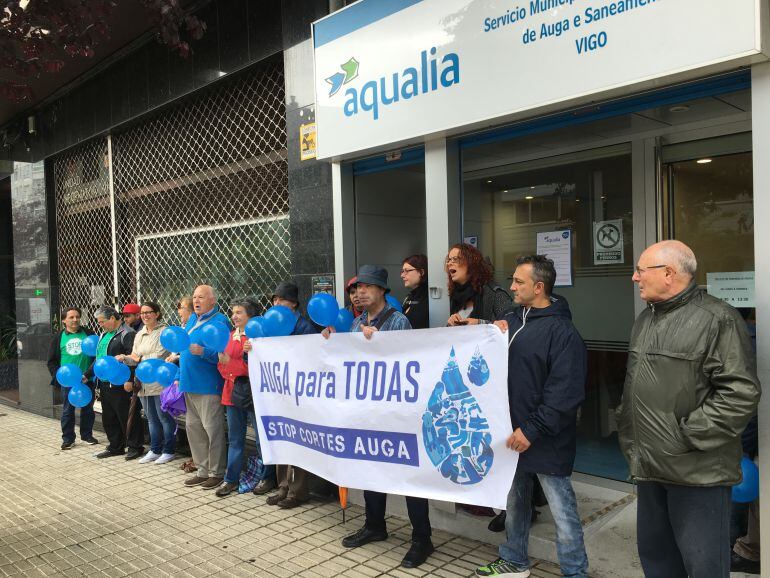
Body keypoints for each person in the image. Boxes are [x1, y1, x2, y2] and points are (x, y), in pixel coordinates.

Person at [616, 240, 760, 578]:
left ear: (668, 273)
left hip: (697, 473)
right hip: (649, 467)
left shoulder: (717, 319)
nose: (634, 278)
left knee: (703, 567)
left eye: (640, 269)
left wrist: (686, 435)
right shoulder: (646, 320)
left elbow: (740, 392)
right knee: (658, 562)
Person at [477, 255, 589, 578]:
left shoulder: (563, 333)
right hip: (511, 434)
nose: (511, 286)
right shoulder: (512, 319)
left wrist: (532, 430)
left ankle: (575, 571)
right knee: (515, 502)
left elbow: (564, 394)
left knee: (562, 510)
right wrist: (489, 331)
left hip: (543, 439)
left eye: (518, 282)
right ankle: (514, 559)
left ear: (539, 287)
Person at [326, 265, 434, 569]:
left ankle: (422, 538)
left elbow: (408, 363)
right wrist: (331, 340)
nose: (360, 293)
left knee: (409, 478)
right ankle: (375, 525)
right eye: (356, 288)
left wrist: (379, 344)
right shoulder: (355, 323)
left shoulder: (399, 321)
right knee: (370, 469)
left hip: (397, 415)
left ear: (382, 291)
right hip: (367, 413)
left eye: (367, 287)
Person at [261, 281, 317, 508]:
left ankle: (298, 491)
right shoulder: (269, 325)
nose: (276, 304)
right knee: (281, 438)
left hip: (299, 392)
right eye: (274, 300)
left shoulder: (304, 326)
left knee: (299, 441)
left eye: (281, 300)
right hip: (278, 392)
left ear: (293, 303)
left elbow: (312, 357)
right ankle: (283, 486)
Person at [215, 297, 276, 497]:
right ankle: (230, 479)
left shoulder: (259, 337)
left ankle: (267, 476)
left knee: (261, 439)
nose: (234, 316)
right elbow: (221, 366)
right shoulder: (230, 336)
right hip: (231, 393)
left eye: (239, 312)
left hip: (254, 394)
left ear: (251, 315)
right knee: (235, 439)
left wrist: (231, 365)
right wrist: (231, 366)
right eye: (233, 312)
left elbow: (257, 368)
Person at [179, 285, 230, 489]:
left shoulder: (220, 321)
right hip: (189, 384)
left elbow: (225, 356)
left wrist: (204, 352)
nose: (196, 301)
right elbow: (183, 349)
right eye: (194, 297)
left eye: (201, 297)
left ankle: (217, 472)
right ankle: (202, 470)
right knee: (194, 430)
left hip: (208, 386)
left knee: (213, 430)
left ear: (212, 300)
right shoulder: (192, 319)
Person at [117, 302, 176, 465]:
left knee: (164, 417)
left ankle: (169, 450)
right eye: (142, 313)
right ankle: (155, 449)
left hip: (159, 381)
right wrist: (125, 357)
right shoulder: (140, 333)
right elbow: (135, 357)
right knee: (151, 418)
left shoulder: (165, 331)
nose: (145, 315)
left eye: (149, 312)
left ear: (157, 313)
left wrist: (139, 359)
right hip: (142, 382)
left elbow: (165, 355)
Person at [86, 306, 143, 460]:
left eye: (102, 322)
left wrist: (130, 379)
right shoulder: (104, 334)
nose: (101, 325)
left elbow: (133, 358)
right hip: (105, 382)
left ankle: (135, 446)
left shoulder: (128, 334)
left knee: (127, 416)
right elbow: (99, 359)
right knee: (109, 417)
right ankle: (115, 446)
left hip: (121, 382)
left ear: (112, 318)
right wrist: (88, 374)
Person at [47, 307, 98, 450]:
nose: (75, 319)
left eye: (77, 316)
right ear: (64, 320)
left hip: (86, 379)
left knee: (88, 409)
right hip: (68, 381)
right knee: (67, 411)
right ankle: (68, 439)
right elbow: (51, 361)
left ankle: (87, 435)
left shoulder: (88, 334)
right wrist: (59, 376)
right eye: (71, 317)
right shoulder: (58, 338)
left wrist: (88, 375)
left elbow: (96, 356)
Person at [446, 243, 512, 326]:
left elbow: (509, 326)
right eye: (449, 260)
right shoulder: (456, 294)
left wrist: (479, 323)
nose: (449, 264)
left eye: (455, 259)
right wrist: (450, 323)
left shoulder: (496, 294)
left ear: (471, 264)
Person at [400, 254, 429, 329]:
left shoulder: (430, 298)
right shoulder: (410, 297)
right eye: (402, 271)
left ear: (421, 272)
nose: (402, 275)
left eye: (407, 271)